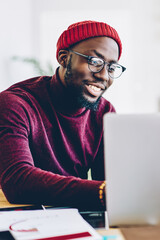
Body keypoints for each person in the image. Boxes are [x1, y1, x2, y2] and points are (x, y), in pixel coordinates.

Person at [0, 20, 126, 211]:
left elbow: (109, 186)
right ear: (64, 58)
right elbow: (18, 181)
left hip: (74, 218)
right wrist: (102, 192)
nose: (103, 76)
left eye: (111, 67)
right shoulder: (15, 104)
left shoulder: (104, 113)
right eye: (95, 62)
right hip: (17, 220)